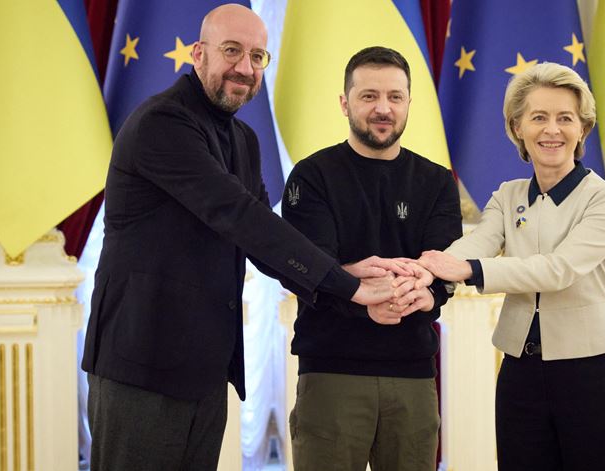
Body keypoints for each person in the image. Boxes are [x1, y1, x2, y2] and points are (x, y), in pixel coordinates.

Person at [80, 5, 408, 470]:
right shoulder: (162, 123)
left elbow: (264, 238)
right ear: (198, 54)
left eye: (258, 57)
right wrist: (349, 287)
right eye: (231, 51)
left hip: (205, 372)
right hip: (141, 367)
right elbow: (239, 216)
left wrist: (342, 272)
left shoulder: (243, 139)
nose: (245, 68)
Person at [418, 62, 605, 470]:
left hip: (594, 374)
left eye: (565, 119)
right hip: (521, 373)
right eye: (538, 117)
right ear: (517, 127)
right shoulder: (508, 195)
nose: (551, 130)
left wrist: (468, 269)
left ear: (582, 129)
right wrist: (429, 269)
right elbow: (478, 243)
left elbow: (558, 270)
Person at [282, 46, 462, 471]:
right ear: (345, 103)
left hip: (414, 374)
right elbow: (303, 266)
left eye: (395, 97)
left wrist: (423, 293)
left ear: (408, 104)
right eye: (369, 96)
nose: (383, 108)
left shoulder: (437, 181)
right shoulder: (311, 176)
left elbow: (442, 269)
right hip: (331, 372)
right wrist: (359, 287)